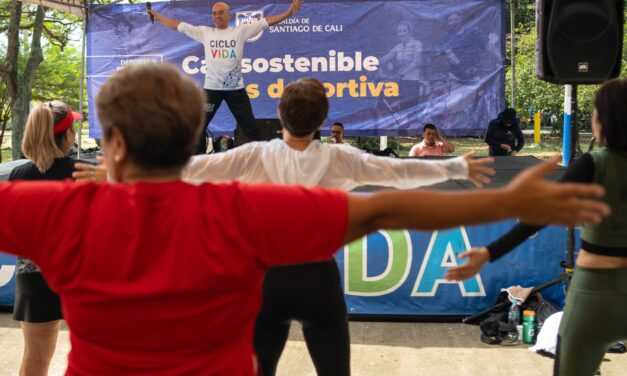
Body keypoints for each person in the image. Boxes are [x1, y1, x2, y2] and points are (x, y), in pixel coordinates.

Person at [0, 63, 610, 375]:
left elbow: (386, 195)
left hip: (270, 282)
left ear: (111, 143)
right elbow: (389, 197)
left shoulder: (59, 211)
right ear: (193, 133)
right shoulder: (247, 214)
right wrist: (502, 196)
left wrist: (112, 178)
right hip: (314, 278)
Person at [446, 78, 627, 376]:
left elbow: (537, 217)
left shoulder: (596, 164)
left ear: (604, 120)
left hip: (596, 290)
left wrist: (489, 252)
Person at [147, 0, 304, 153]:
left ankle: (264, 159)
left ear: (229, 14)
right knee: (198, 126)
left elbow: (266, 22)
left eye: (221, 12)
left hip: (236, 90)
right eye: (214, 13)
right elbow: (179, 26)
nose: (217, 16)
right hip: (212, 90)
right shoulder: (205, 33)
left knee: (250, 127)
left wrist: (289, 12)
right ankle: (198, 161)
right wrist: (158, 16)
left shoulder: (240, 31)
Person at [8, 100, 81, 376]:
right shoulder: (84, 172)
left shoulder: (18, 175)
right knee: (95, 357)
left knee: (35, 360)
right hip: (80, 279)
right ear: (68, 135)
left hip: (34, 279)